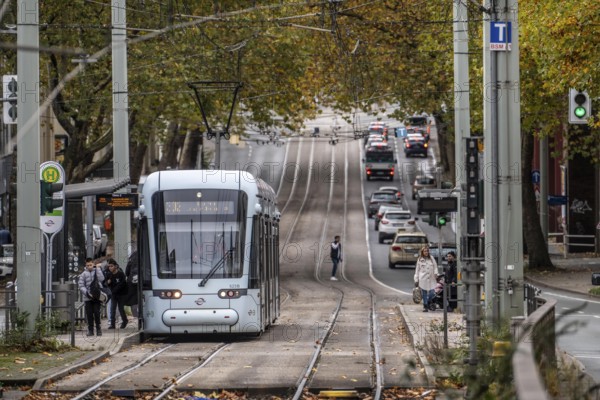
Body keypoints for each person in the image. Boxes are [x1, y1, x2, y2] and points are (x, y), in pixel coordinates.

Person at [78, 258, 105, 336]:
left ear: (93, 264)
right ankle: (90, 330)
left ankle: (98, 329)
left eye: (90, 265)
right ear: (85, 265)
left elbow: (101, 279)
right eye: (87, 265)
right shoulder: (83, 274)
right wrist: (87, 293)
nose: (89, 267)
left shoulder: (97, 271)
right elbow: (81, 285)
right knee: (89, 314)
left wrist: (98, 269)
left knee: (97, 313)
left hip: (97, 296)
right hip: (88, 298)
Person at [413, 246, 438, 312]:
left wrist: (436, 273)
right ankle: (425, 306)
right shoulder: (420, 259)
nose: (426, 252)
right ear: (422, 252)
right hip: (423, 279)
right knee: (424, 293)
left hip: (431, 278)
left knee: (432, 292)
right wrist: (416, 279)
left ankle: (429, 301)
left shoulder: (431, 258)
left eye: (427, 251)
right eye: (425, 251)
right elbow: (417, 270)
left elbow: (435, 267)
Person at [106, 258, 128, 329]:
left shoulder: (121, 274)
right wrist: (108, 283)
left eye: (111, 266)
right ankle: (112, 324)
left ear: (115, 266)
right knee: (112, 309)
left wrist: (115, 289)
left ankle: (124, 321)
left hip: (121, 294)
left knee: (121, 309)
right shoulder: (109, 275)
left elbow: (122, 283)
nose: (110, 268)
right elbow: (106, 284)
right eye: (109, 266)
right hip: (113, 295)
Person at [124, 250, 139, 317]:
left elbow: (127, 272)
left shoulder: (132, 256)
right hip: (144, 281)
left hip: (131, 281)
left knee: (133, 300)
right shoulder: (147, 254)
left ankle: (135, 316)